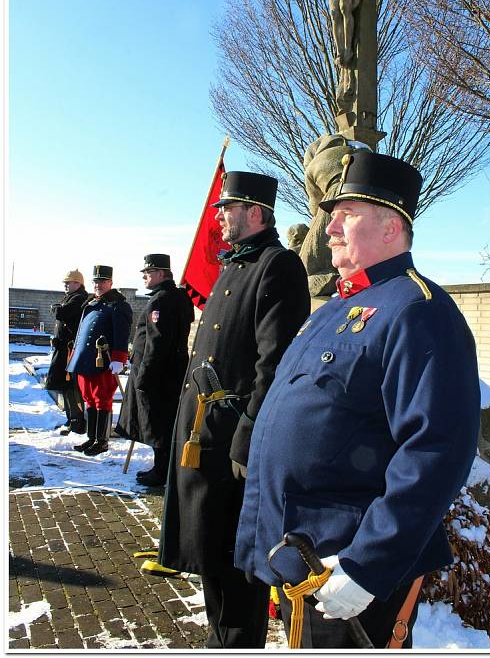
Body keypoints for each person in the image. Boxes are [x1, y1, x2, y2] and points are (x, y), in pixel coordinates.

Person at [235, 150, 481, 649]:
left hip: (344, 564)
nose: (328, 227)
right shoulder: (338, 306)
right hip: (300, 551)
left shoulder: (418, 310)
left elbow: (436, 450)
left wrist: (369, 563)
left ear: (391, 226)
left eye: (345, 214)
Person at [156, 171, 311, 649]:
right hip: (203, 435)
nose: (218, 217)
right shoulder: (232, 266)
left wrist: (248, 433)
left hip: (234, 445)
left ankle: (237, 643)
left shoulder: (277, 266)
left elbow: (276, 364)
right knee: (208, 548)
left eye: (227, 209)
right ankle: (219, 638)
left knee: (237, 558)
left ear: (256, 213)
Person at [115, 254, 194, 486]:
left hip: (158, 373)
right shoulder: (178, 297)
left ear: (161, 274)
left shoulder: (160, 301)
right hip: (172, 370)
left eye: (148, 273)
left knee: (157, 423)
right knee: (163, 421)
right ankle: (162, 469)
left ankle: (161, 472)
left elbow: (156, 343)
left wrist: (145, 375)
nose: (144, 277)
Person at [67, 265, 132, 456]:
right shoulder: (91, 303)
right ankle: (92, 437)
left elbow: (122, 333)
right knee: (89, 399)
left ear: (110, 283)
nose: (98, 285)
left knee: (102, 400)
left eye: (102, 281)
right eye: (95, 282)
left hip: (103, 361)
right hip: (85, 360)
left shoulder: (118, 305)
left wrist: (119, 358)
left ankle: (102, 441)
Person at [45, 269, 88, 435]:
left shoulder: (78, 298)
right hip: (63, 349)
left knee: (70, 387)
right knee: (64, 386)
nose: (65, 285)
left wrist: (56, 308)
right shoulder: (71, 297)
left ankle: (77, 421)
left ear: (77, 284)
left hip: (69, 351)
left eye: (68, 282)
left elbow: (63, 313)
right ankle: (71, 418)